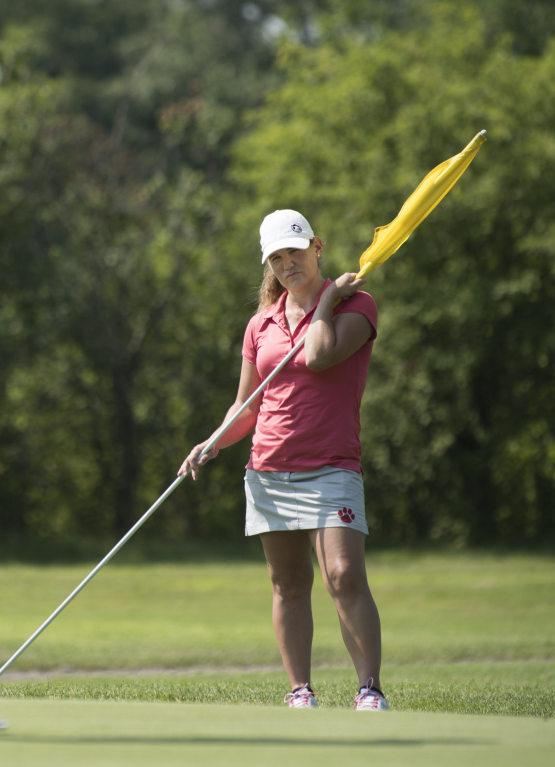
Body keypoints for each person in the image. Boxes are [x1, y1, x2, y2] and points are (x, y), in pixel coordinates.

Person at [178, 209, 388, 711]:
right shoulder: (260, 324)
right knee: (288, 583)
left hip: (333, 465)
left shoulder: (356, 306)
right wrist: (211, 441)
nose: (287, 263)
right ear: (268, 264)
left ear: (316, 246)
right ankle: (300, 691)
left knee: (343, 574)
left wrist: (328, 300)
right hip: (269, 470)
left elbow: (318, 356)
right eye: (276, 257)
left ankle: (369, 690)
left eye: (294, 251)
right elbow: (247, 408)